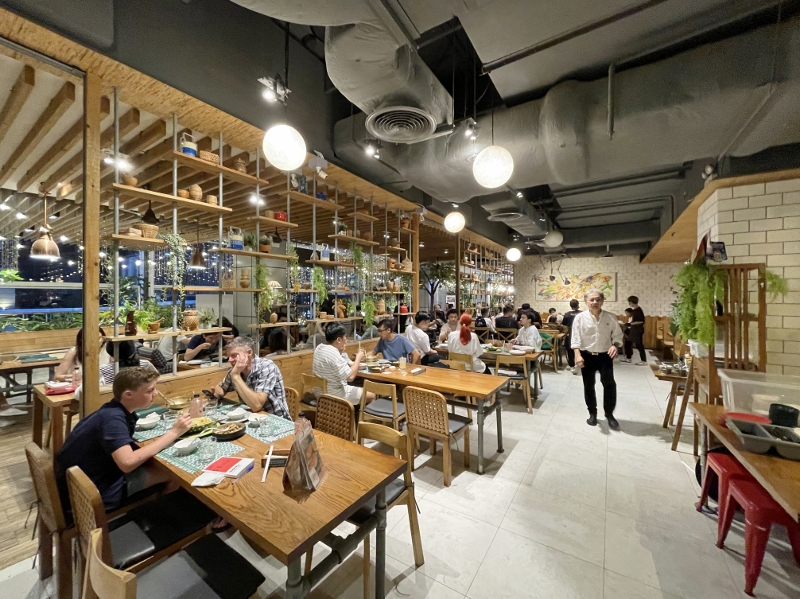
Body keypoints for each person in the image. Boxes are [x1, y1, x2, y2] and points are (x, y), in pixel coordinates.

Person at [55, 367, 191, 512]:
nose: (155, 393)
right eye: (149, 390)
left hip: (79, 482)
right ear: (128, 394)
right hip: (88, 494)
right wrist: (174, 432)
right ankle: (156, 516)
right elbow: (127, 463)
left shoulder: (111, 410)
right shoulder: (112, 419)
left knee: (156, 463)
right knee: (175, 474)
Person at [572, 289, 623, 429]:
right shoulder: (580, 318)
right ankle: (592, 413)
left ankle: (609, 414)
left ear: (602, 301)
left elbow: (618, 335)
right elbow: (575, 338)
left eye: (598, 299)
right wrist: (577, 355)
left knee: (609, 385)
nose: (595, 302)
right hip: (587, 355)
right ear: (586, 302)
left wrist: (615, 345)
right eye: (592, 300)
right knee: (588, 385)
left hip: (605, 356)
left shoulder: (610, 317)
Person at [212, 337, 291, 419]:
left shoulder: (266, 366)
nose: (230, 360)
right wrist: (217, 393)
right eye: (228, 356)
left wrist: (236, 376)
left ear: (249, 352)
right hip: (250, 417)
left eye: (234, 355)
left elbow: (257, 405)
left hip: (276, 419)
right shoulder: (236, 370)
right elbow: (221, 388)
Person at [312, 324, 375, 405]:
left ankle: (351, 415)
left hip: (320, 393)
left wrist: (340, 351)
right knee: (372, 395)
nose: (346, 340)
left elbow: (334, 366)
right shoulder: (333, 353)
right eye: (345, 337)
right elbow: (350, 377)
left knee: (361, 389)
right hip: (335, 395)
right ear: (338, 340)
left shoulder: (319, 348)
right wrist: (358, 359)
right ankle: (360, 417)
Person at [621, 295, 647, 365]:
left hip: (637, 330)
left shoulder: (638, 310)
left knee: (639, 345)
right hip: (634, 330)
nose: (629, 303)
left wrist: (631, 324)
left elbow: (641, 321)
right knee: (628, 343)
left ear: (631, 302)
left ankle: (644, 361)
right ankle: (628, 358)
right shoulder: (636, 310)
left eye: (629, 302)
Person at [561, 299, 582, 371]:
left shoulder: (567, 314)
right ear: (578, 305)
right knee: (581, 349)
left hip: (570, 333)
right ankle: (581, 364)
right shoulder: (582, 313)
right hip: (581, 333)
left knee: (570, 350)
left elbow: (564, 325)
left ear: (570, 306)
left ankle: (572, 366)